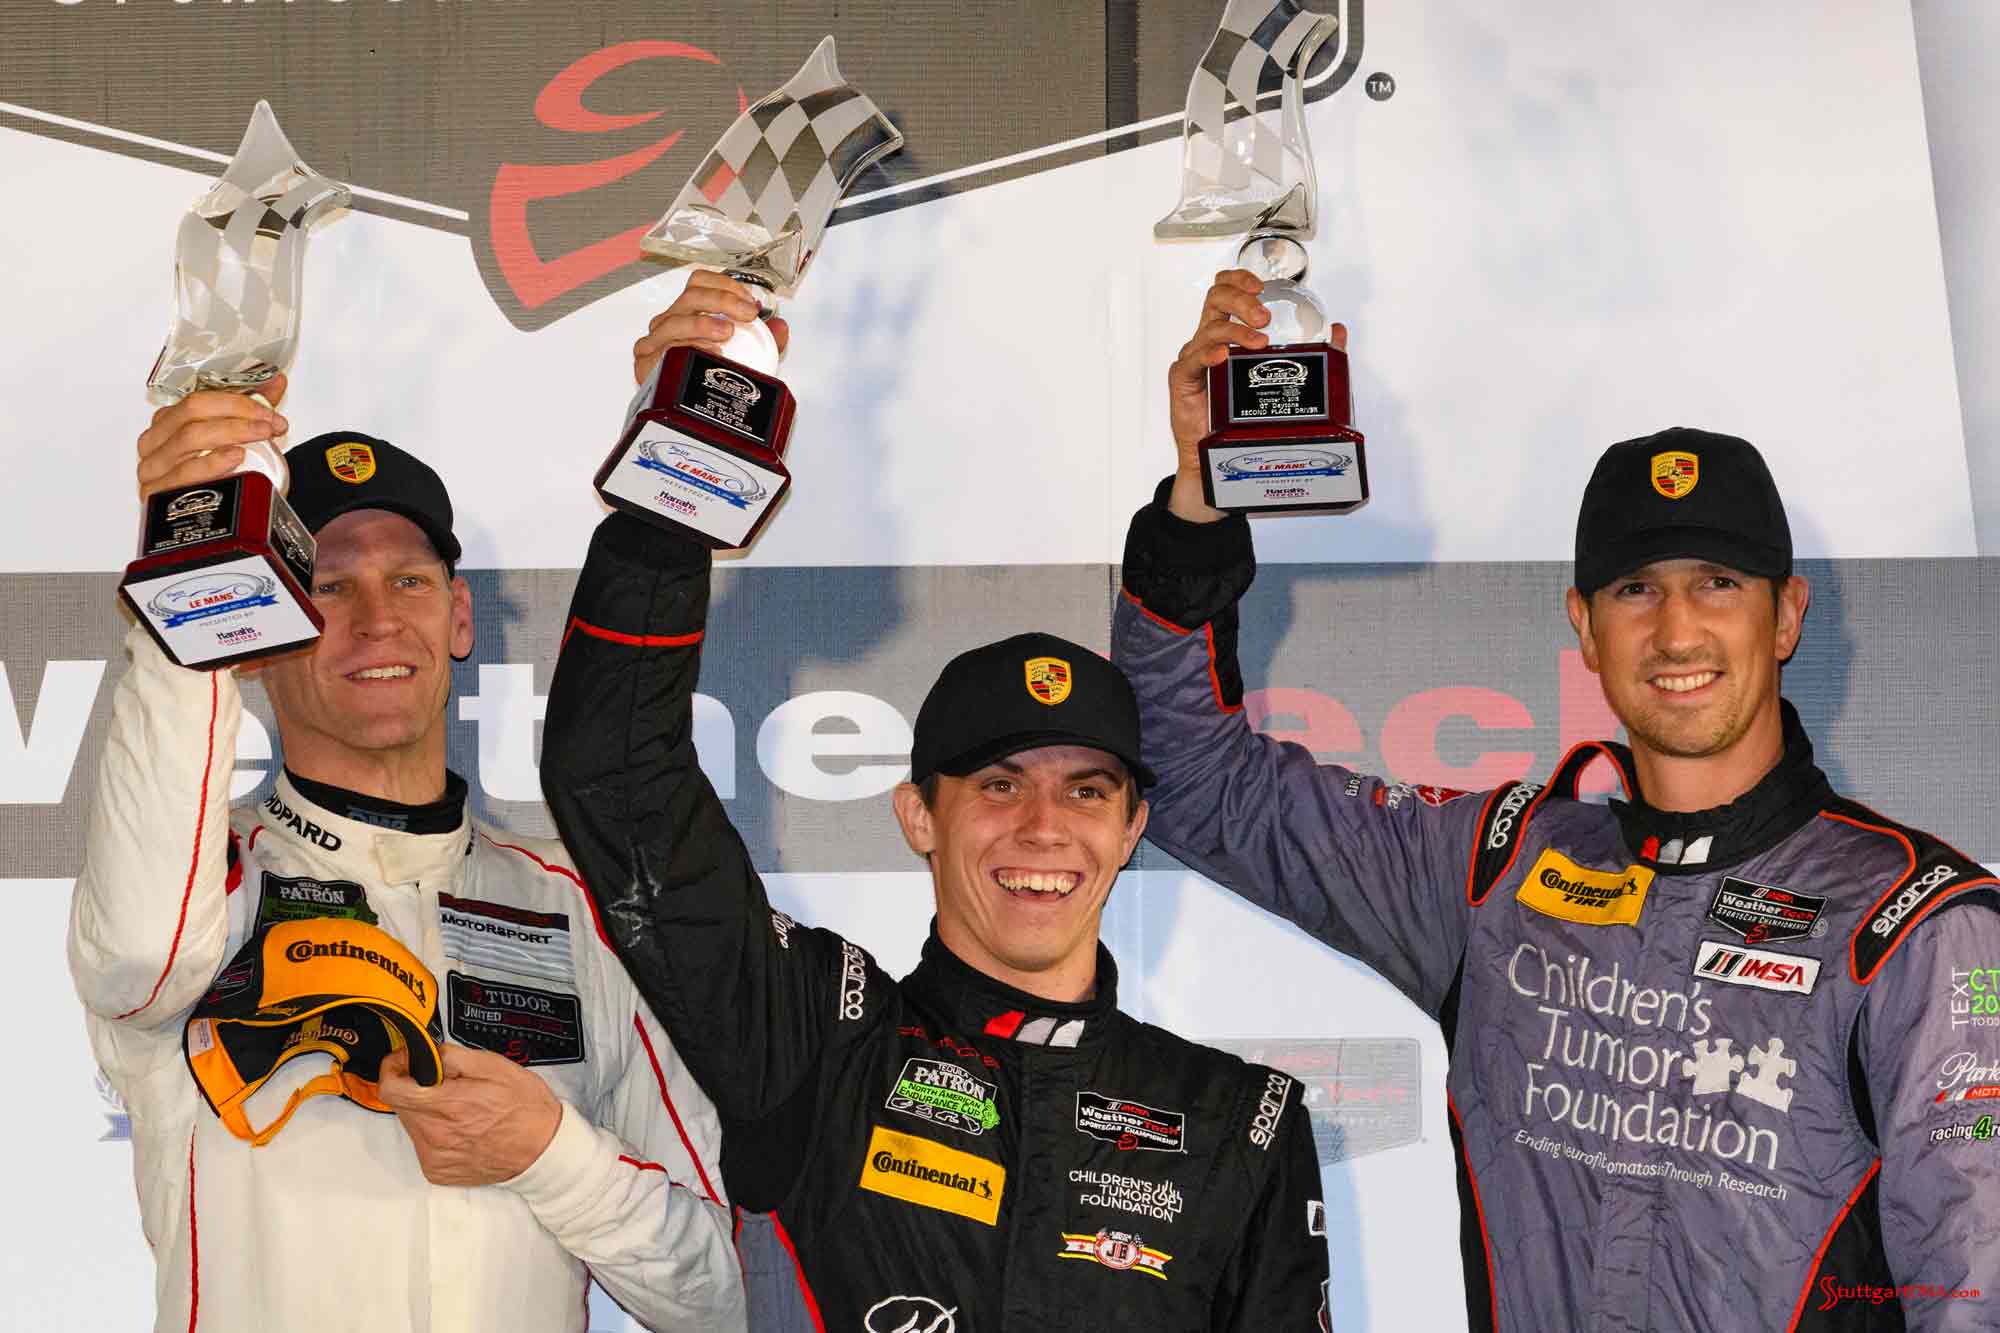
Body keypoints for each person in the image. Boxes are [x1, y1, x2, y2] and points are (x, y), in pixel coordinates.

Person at [1110, 269, 2000, 1330]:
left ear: (1784, 616)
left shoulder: (1913, 925)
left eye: (1716, 583)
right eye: (1635, 589)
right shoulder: (1493, 868)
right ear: (1582, 625)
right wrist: (1200, 500)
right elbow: (1196, 780)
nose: (1674, 631)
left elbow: (1970, 1284)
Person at [537, 272, 1332, 1330]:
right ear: (920, 815)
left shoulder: (1239, 1121)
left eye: (1085, 790)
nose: (1043, 827)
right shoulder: (814, 1039)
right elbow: (618, 778)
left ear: (1131, 826)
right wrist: (678, 476)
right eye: (998, 784)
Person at [68, 383, 745, 1332]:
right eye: (329, 586)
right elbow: (140, 951)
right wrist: (195, 578)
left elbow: (723, 1296)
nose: (378, 618)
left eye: (411, 580)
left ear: (459, 617)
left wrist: (550, 1153)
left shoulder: (581, 903)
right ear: (264, 636)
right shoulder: (205, 888)